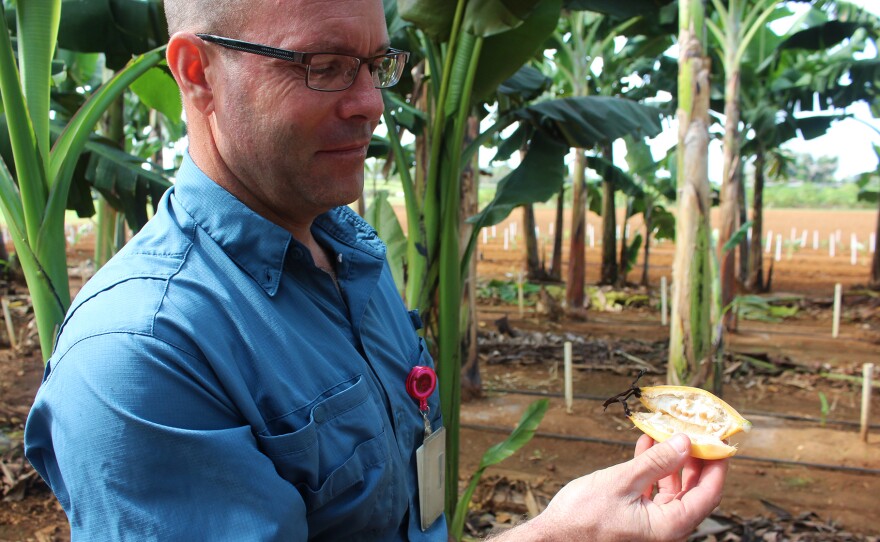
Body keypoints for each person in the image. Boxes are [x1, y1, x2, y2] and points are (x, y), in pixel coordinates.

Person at [23, 0, 727, 539]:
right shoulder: (141, 356)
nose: (369, 104)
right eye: (322, 66)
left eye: (376, 66)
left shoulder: (348, 252)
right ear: (197, 72)